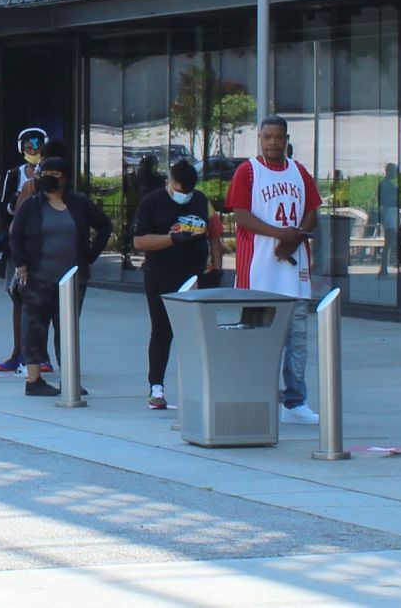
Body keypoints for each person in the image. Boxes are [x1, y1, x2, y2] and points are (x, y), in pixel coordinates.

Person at [228, 114, 322, 425]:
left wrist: (294, 239)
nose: (272, 143)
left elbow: (311, 211)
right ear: (259, 138)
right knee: (257, 338)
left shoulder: (298, 171)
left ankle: (294, 401)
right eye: (267, 137)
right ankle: (255, 397)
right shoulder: (248, 172)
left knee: (297, 340)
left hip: (294, 271)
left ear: (286, 138)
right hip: (259, 270)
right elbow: (241, 215)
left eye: (277, 137)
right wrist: (280, 234)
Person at [8, 155, 111, 397]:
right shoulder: (32, 205)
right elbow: (16, 235)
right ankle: (34, 380)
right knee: (34, 327)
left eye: (53, 175)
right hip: (36, 278)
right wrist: (21, 264)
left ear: (64, 179)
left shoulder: (79, 203)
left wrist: (90, 256)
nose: (47, 179)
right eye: (43, 173)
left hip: (73, 279)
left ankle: (70, 378)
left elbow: (104, 226)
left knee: (67, 329)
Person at [132, 157, 219, 410]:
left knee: (195, 333)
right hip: (160, 272)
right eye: (180, 190)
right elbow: (139, 242)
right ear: (170, 182)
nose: (184, 196)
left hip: (193, 274)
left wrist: (216, 265)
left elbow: (213, 233)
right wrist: (172, 239)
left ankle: (197, 388)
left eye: (188, 192)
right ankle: (156, 387)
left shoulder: (201, 200)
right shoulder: (152, 202)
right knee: (162, 330)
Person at [0, 126, 48, 374]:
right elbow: (4, 207)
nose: (32, 151)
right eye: (28, 147)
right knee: (17, 297)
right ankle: (19, 352)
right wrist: (20, 199)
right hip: (18, 241)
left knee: (43, 301)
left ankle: (41, 355)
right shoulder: (14, 174)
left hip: (44, 243)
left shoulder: (50, 172)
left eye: (36, 146)